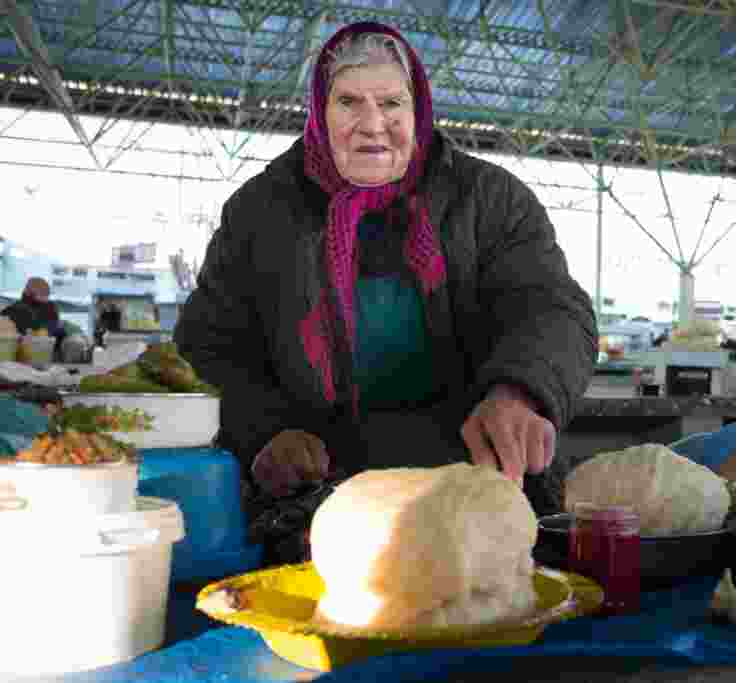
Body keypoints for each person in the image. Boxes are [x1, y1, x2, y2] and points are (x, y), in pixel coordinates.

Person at [174, 22, 597, 560]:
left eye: (392, 102)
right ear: (318, 112)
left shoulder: (490, 200)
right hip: (323, 502)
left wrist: (521, 391)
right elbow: (210, 343)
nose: (372, 125)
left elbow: (550, 304)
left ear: (417, 110)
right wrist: (265, 431)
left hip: (482, 490)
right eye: (348, 102)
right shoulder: (261, 211)